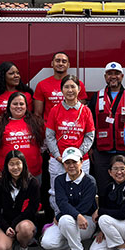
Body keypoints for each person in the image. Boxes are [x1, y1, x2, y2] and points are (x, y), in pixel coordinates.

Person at [40, 147, 99, 250]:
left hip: (85, 221)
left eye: (74, 162)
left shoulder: (90, 181)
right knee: (47, 242)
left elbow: (84, 207)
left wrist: (62, 215)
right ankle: (71, 248)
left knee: (65, 219)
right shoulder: (59, 180)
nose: (71, 165)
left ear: (81, 162)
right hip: (68, 219)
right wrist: (74, 215)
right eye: (67, 162)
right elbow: (61, 203)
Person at [45, 75, 96, 211]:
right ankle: (58, 218)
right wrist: (58, 156)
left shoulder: (85, 111)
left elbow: (89, 136)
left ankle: (78, 219)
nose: (70, 90)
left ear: (79, 89)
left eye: (73, 86)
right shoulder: (55, 110)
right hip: (58, 160)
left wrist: (78, 156)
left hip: (81, 160)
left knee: (81, 191)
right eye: (66, 87)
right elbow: (49, 136)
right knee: (56, 192)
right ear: (61, 90)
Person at [87, 62, 125, 194]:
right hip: (101, 152)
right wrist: (91, 148)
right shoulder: (97, 97)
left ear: (122, 76)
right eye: (110, 74)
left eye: (116, 74)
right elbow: (90, 124)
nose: (113, 77)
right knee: (103, 188)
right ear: (105, 76)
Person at [0, 150, 42, 250]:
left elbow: (32, 209)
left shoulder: (32, 183)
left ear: (23, 164)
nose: (15, 167)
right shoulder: (0, 183)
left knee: (25, 228)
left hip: (25, 222)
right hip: (6, 224)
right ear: (6, 166)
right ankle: (11, 245)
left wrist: (13, 225)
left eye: (18, 163)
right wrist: (5, 226)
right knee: (1, 249)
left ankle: (24, 249)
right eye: (11, 164)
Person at [0, 91, 45, 180]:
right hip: (7, 175)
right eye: (15, 104)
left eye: (21, 104)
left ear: (26, 106)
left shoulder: (36, 123)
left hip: (33, 174)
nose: (18, 106)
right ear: (9, 106)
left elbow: (44, 142)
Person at [33, 51, 87, 119]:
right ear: (52, 63)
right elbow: (37, 114)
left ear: (68, 65)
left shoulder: (78, 85)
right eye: (57, 61)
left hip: (72, 127)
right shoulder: (41, 85)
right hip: (49, 128)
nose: (60, 64)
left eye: (64, 61)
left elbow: (82, 111)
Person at [0, 61, 32, 129]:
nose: (16, 76)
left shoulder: (26, 95)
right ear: (3, 76)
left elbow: (31, 119)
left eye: (17, 73)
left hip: (19, 134)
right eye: (11, 73)